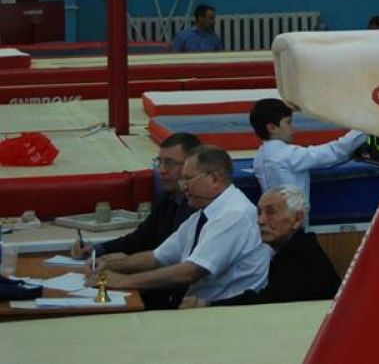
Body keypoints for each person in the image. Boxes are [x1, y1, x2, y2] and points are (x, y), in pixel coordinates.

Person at [92, 146, 270, 304]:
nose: (183, 186)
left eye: (188, 179)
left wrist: (124, 281)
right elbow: (157, 258)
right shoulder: (202, 214)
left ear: (214, 179)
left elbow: (189, 272)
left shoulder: (235, 214)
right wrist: (108, 266)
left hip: (224, 312)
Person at [70, 132, 201, 309]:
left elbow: (178, 266)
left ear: (191, 166)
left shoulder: (198, 208)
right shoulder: (167, 197)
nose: (161, 170)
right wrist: (96, 249)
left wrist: (123, 271)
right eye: (159, 162)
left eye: (170, 163)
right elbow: (139, 239)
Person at [191, 186, 341, 307]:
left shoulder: (298, 254)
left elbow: (268, 302)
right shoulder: (297, 248)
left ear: (297, 219)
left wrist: (207, 304)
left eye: (270, 212)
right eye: (259, 213)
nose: (260, 221)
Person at [249, 98, 366, 213]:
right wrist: (366, 126)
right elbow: (335, 152)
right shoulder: (288, 155)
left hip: (272, 220)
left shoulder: (259, 157)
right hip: (293, 222)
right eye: (288, 122)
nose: (293, 129)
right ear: (272, 128)